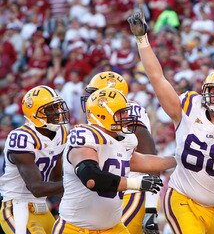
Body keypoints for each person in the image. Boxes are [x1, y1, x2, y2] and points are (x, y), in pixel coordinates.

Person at [128, 12, 214, 234]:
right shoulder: (189, 107)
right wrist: (143, 41)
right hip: (182, 199)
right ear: (204, 92)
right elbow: (157, 78)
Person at [53, 87, 176, 233]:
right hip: (76, 229)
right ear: (103, 115)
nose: (126, 116)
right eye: (121, 112)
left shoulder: (123, 140)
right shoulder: (86, 136)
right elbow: (91, 178)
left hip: (113, 228)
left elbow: (144, 162)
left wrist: (179, 159)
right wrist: (136, 183)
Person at [80, 71, 160, 234]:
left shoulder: (130, 115)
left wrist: (151, 210)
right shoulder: (100, 116)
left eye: (95, 94)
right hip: (108, 193)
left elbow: (152, 163)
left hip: (132, 192)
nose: (89, 98)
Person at [0, 85, 70, 233]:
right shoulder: (22, 137)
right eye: (51, 108)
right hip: (18, 207)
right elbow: (36, 187)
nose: (58, 112)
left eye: (57, 106)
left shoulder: (60, 133)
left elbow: (56, 178)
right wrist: (78, 183)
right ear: (35, 114)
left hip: (42, 207)